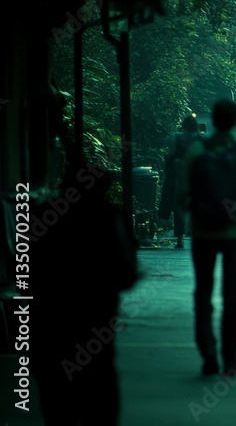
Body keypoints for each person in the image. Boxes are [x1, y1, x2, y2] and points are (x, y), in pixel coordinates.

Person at [33, 161, 140, 425]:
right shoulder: (110, 217)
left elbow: (26, 267)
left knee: (55, 383)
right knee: (100, 379)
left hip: (53, 316)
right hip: (97, 314)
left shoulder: (45, 215)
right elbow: (126, 271)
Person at [177, 98, 236, 376]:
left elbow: (182, 193)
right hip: (233, 233)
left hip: (202, 233)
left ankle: (208, 354)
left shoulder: (196, 151)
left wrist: (191, 218)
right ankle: (230, 360)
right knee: (231, 297)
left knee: (203, 293)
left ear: (212, 120)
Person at [159, 113, 200, 248]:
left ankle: (179, 238)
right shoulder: (200, 139)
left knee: (177, 206)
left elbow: (170, 154)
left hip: (179, 176)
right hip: (195, 178)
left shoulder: (175, 137)